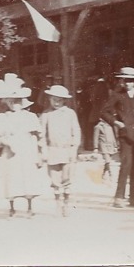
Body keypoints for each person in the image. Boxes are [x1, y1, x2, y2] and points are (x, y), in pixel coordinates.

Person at [0, 74, 42, 217]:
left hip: (26, 150)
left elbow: (37, 136)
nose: (14, 104)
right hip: (10, 152)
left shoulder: (29, 117)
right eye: (11, 101)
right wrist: (5, 141)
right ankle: (12, 207)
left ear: (22, 101)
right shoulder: (2, 118)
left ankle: (30, 207)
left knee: (27, 177)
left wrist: (38, 153)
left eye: (17, 100)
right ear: (6, 101)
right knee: (12, 178)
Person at [102, 67, 134, 207]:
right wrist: (116, 123)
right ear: (121, 80)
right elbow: (104, 112)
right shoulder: (117, 95)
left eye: (131, 80)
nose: (127, 83)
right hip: (125, 135)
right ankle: (119, 198)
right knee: (126, 165)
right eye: (125, 80)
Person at [40, 85, 81, 215]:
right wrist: (44, 150)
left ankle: (66, 204)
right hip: (53, 150)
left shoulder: (70, 113)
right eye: (54, 99)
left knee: (67, 178)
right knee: (55, 178)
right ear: (50, 99)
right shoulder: (46, 114)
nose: (56, 102)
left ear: (64, 100)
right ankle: (58, 203)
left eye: (59, 100)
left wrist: (74, 148)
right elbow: (41, 134)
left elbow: (76, 131)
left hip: (67, 150)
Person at [93, 111, 119, 181]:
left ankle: (104, 174)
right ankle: (110, 174)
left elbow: (113, 137)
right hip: (103, 145)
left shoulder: (109, 126)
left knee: (108, 161)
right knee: (108, 161)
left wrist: (115, 146)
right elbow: (95, 137)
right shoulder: (98, 127)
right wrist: (95, 147)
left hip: (110, 146)